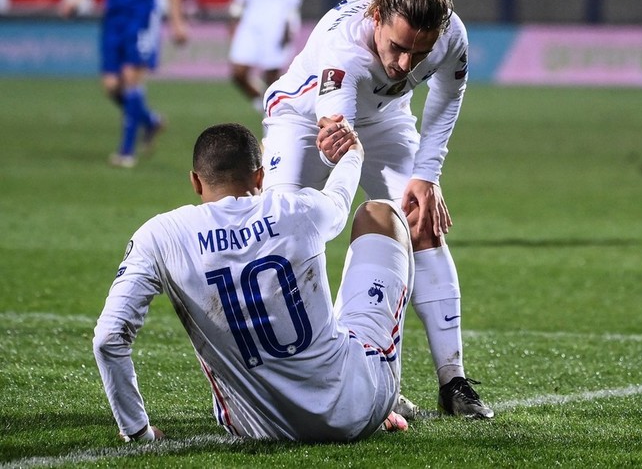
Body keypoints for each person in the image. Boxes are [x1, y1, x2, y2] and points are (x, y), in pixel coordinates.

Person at [260, 0, 494, 419]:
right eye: (397, 48)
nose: (405, 65)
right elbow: (338, 145)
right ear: (376, 18)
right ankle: (312, 373)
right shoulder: (344, 49)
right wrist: (340, 159)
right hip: (307, 121)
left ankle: (454, 382)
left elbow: (448, 95)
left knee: (421, 221)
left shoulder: (451, 33)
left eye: (419, 54)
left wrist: (427, 176)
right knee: (282, 239)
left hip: (384, 119)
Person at [93, 121, 413, 441]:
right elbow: (340, 197)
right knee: (380, 213)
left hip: (258, 428)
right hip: (356, 410)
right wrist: (353, 152)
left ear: (195, 181)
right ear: (260, 176)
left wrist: (137, 430)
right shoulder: (297, 208)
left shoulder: (160, 235)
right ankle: (380, 394)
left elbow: (109, 338)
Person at [60, 0, 188, 169]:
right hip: (114, 14)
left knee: (131, 77)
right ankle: (150, 121)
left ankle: (126, 152)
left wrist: (177, 20)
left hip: (142, 14)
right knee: (111, 86)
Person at [228, 0, 305, 113]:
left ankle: (273, 121)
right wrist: (237, 8)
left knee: (272, 75)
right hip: (252, 13)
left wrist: (290, 16)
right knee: (238, 72)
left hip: (278, 13)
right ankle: (268, 109)